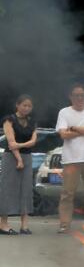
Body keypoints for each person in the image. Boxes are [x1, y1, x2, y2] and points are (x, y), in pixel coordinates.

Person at [55, 83, 84, 234]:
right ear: (71, 97)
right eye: (76, 95)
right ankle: (64, 224)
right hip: (71, 159)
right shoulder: (64, 112)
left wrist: (75, 128)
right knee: (67, 193)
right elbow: (63, 134)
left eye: (82, 95)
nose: (79, 98)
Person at [1, 95, 37, 235]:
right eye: (24, 105)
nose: (26, 108)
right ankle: (3, 224)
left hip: (27, 156)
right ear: (17, 105)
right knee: (7, 189)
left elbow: (33, 141)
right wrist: (19, 159)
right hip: (11, 157)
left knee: (26, 189)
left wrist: (20, 146)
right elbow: (11, 142)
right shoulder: (8, 120)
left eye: (29, 106)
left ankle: (24, 225)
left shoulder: (32, 121)